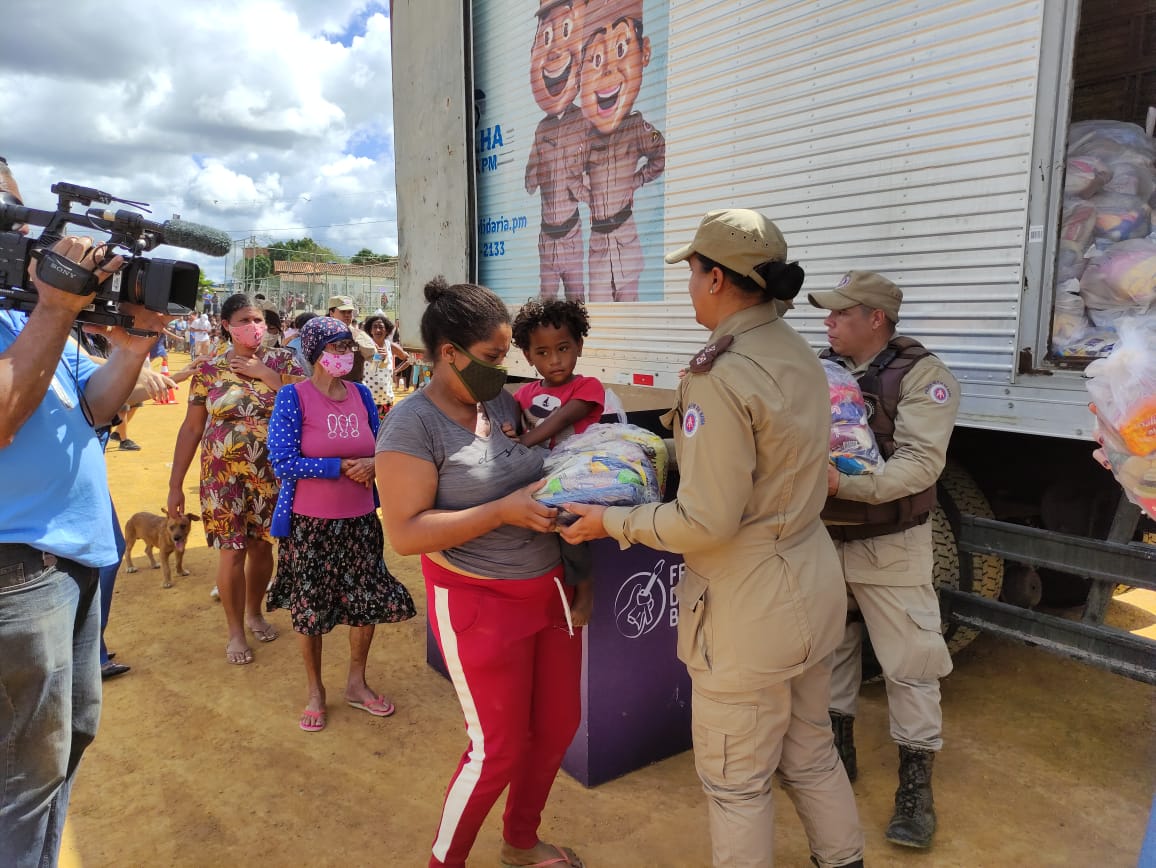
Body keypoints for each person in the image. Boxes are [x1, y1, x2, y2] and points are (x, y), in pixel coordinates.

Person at [562, 209, 864, 868]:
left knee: (737, 783)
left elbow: (706, 520)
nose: (691, 286)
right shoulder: (799, 355)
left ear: (720, 279)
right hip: (810, 583)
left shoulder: (718, 372)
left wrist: (609, 519)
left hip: (748, 606)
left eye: (694, 272)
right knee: (811, 753)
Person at [375, 277, 584, 868]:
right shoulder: (411, 426)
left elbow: (518, 471)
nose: (504, 369)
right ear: (449, 353)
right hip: (479, 604)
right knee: (497, 750)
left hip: (548, 593)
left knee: (556, 728)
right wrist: (502, 511)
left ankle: (521, 840)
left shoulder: (495, 401)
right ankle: (448, 861)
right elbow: (406, 533)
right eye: (494, 357)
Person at [0, 156, 170, 866]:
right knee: (22, 773)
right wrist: (54, 307)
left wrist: (132, 348)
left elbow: (93, 406)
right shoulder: (39, 313)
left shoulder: (23, 314)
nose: (26, 231)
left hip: (72, 563)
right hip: (16, 571)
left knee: (66, 742)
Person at [808, 270, 959, 850]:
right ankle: (838, 753)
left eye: (840, 313)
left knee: (911, 663)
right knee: (831, 647)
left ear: (875, 318)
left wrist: (846, 487)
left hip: (890, 543)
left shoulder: (925, 377)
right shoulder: (821, 368)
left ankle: (916, 789)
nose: (828, 322)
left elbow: (922, 464)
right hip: (824, 537)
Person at [266, 317, 416, 731]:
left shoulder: (362, 394)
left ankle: (356, 683)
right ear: (316, 352)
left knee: (365, 599)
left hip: (361, 521)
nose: (346, 355)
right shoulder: (292, 398)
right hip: (310, 525)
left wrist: (374, 463)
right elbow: (282, 460)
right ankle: (315, 690)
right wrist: (336, 467)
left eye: (348, 347)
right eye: (337, 347)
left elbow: (383, 443)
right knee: (310, 607)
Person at [167, 293, 305, 664]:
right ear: (226, 325)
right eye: (245, 320)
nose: (255, 327)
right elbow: (191, 429)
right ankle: (235, 631)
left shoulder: (284, 361)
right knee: (232, 551)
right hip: (222, 477)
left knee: (262, 548)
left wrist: (268, 376)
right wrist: (175, 485)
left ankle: (254, 612)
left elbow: (310, 404)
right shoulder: (208, 368)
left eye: (258, 319)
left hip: (272, 472)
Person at [510, 297, 603, 626]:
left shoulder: (588, 386)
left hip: (574, 478)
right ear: (527, 356)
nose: (555, 361)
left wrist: (523, 439)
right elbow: (509, 428)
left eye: (563, 348)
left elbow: (562, 419)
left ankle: (586, 589)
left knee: (569, 527)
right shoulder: (521, 396)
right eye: (543, 353)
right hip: (537, 477)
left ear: (578, 345)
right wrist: (510, 432)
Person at [579, 0, 665, 302]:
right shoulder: (585, 137)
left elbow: (660, 155)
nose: (607, 70)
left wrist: (637, 180)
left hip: (626, 236)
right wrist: (584, 190)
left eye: (620, 50)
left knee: (631, 308)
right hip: (599, 242)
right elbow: (571, 173)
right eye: (596, 58)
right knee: (598, 315)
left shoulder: (635, 127)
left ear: (644, 53)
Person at [526, 0, 589, 301]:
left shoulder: (586, 121)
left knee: (577, 304)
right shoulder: (542, 128)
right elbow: (529, 181)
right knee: (546, 307)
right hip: (546, 236)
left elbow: (599, 168)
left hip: (572, 233)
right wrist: (538, 172)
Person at [362, 314, 411, 416]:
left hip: (386, 400)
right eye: (375, 327)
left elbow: (408, 359)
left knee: (384, 430)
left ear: (387, 330)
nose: (378, 330)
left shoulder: (391, 346)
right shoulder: (365, 346)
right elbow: (372, 369)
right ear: (370, 331)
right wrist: (379, 357)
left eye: (381, 327)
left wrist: (395, 371)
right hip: (367, 400)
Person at [327, 295, 376, 382]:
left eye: (349, 312)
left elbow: (375, 357)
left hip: (352, 388)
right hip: (325, 388)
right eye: (343, 312)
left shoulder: (359, 336)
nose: (347, 315)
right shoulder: (322, 334)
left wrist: (384, 359)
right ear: (331, 313)